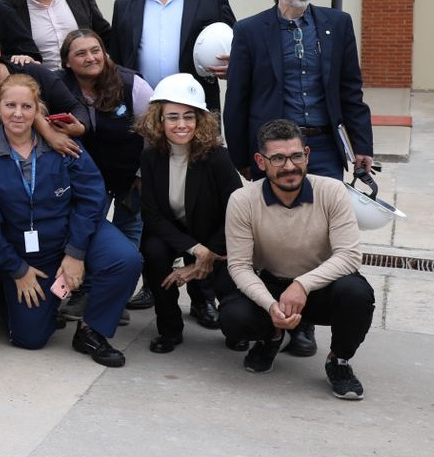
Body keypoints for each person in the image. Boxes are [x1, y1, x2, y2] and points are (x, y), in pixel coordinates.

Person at [0, 75, 142, 367]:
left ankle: (91, 330)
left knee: (125, 259)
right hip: (28, 254)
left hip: (74, 233)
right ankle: (14, 297)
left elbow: (93, 195)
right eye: (10, 105)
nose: (18, 113)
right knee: (30, 338)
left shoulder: (62, 147)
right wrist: (17, 270)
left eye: (26, 106)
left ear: (38, 111)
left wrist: (76, 252)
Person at [221, 119, 373, 399]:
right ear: (260, 161)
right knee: (233, 317)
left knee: (357, 294)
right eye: (277, 158)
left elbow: (349, 256)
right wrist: (270, 306)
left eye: (295, 156)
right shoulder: (243, 200)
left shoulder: (332, 191)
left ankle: (338, 360)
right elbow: (240, 266)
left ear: (307, 155)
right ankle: (272, 337)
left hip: (321, 287)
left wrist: (303, 285)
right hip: (272, 286)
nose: (289, 166)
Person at [224, 0, 374, 179]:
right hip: (273, 149)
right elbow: (236, 101)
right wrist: (241, 157)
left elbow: (351, 91)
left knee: (325, 212)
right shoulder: (249, 31)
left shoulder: (337, 24)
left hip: (325, 148)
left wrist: (362, 144)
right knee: (276, 215)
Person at [133, 73, 244, 354]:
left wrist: (210, 252)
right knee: (154, 252)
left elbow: (238, 213)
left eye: (188, 116)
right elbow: (152, 214)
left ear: (200, 120)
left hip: (217, 234)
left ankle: (235, 324)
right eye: (172, 117)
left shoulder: (217, 157)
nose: (181, 124)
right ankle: (169, 329)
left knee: (229, 279)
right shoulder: (150, 156)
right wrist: (195, 250)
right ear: (159, 120)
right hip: (175, 233)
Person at [59, 28, 155, 319]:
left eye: (95, 50)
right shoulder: (58, 85)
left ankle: (114, 298)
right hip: (85, 180)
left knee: (128, 237)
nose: (90, 58)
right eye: (81, 53)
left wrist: (142, 172)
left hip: (129, 175)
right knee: (85, 233)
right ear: (66, 62)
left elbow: (153, 132)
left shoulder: (131, 83)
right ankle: (84, 293)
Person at [109, 0, 235, 112]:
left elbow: (238, 44)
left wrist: (233, 66)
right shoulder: (124, 5)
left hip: (196, 106)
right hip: (143, 109)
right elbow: (118, 60)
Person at [0, 20, 86, 158]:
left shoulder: (33, 72)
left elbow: (76, 108)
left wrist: (79, 127)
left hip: (54, 156)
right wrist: (43, 126)